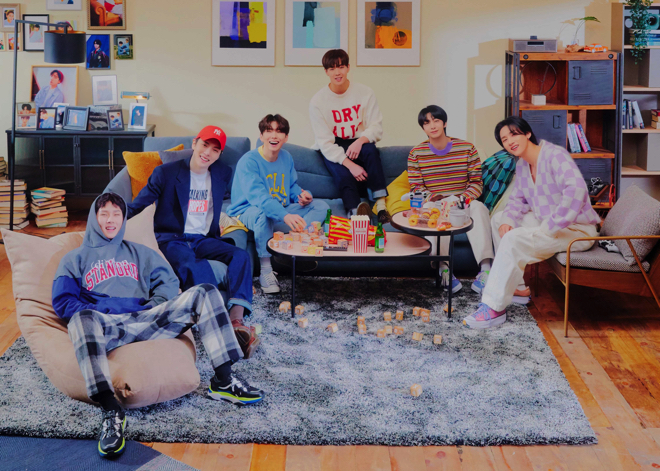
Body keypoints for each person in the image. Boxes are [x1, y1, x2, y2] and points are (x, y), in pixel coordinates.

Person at [53, 192, 265, 458]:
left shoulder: (140, 253)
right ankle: (111, 411)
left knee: (205, 292)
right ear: (94, 218)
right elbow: (63, 302)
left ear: (124, 219)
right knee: (81, 320)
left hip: (148, 319)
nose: (110, 220)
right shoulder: (74, 259)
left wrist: (153, 305)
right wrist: (105, 309)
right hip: (109, 327)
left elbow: (168, 283)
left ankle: (223, 380)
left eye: (116, 214)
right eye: (104, 214)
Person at [128, 126, 260, 358]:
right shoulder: (166, 173)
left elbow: (237, 196)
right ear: (194, 143)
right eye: (204, 145)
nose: (207, 153)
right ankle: (220, 328)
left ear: (219, 154)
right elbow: (138, 205)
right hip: (173, 239)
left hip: (203, 239)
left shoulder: (222, 173)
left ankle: (236, 321)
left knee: (241, 255)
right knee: (193, 265)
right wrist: (110, 221)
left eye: (215, 150)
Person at [462, 117, 601, 329]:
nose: (510, 141)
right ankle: (517, 288)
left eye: (514, 134)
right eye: (504, 139)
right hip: (549, 223)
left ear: (527, 133)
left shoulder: (555, 156)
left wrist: (547, 228)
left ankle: (493, 308)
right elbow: (516, 200)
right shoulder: (523, 166)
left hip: (576, 230)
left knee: (513, 239)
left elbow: (576, 192)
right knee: (500, 220)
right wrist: (507, 220)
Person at [228, 114, 330, 293]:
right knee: (264, 214)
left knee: (321, 207)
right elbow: (260, 198)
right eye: (269, 131)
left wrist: (302, 195)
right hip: (248, 210)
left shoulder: (286, 157)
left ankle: (292, 248)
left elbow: (291, 186)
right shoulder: (249, 161)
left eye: (279, 131)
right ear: (261, 136)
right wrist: (285, 215)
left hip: (280, 209)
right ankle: (266, 271)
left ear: (286, 137)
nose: (274, 136)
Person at [408, 105, 494, 295]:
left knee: (479, 208)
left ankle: (486, 270)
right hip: (435, 203)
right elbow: (416, 187)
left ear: (445, 123)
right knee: (430, 209)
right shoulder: (416, 153)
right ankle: (443, 269)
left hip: (462, 203)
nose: (432, 126)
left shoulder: (467, 148)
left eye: (436, 120)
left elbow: (476, 184)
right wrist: (437, 199)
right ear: (423, 128)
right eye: (427, 123)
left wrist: (461, 199)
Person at [309, 49, 390, 224]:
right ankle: (356, 215)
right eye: (332, 69)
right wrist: (350, 165)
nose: (337, 72)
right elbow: (325, 143)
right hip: (333, 145)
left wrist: (360, 141)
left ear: (348, 68)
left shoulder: (365, 92)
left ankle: (381, 207)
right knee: (344, 176)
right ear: (326, 72)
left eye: (341, 67)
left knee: (371, 150)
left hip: (359, 140)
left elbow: (376, 127)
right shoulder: (318, 101)